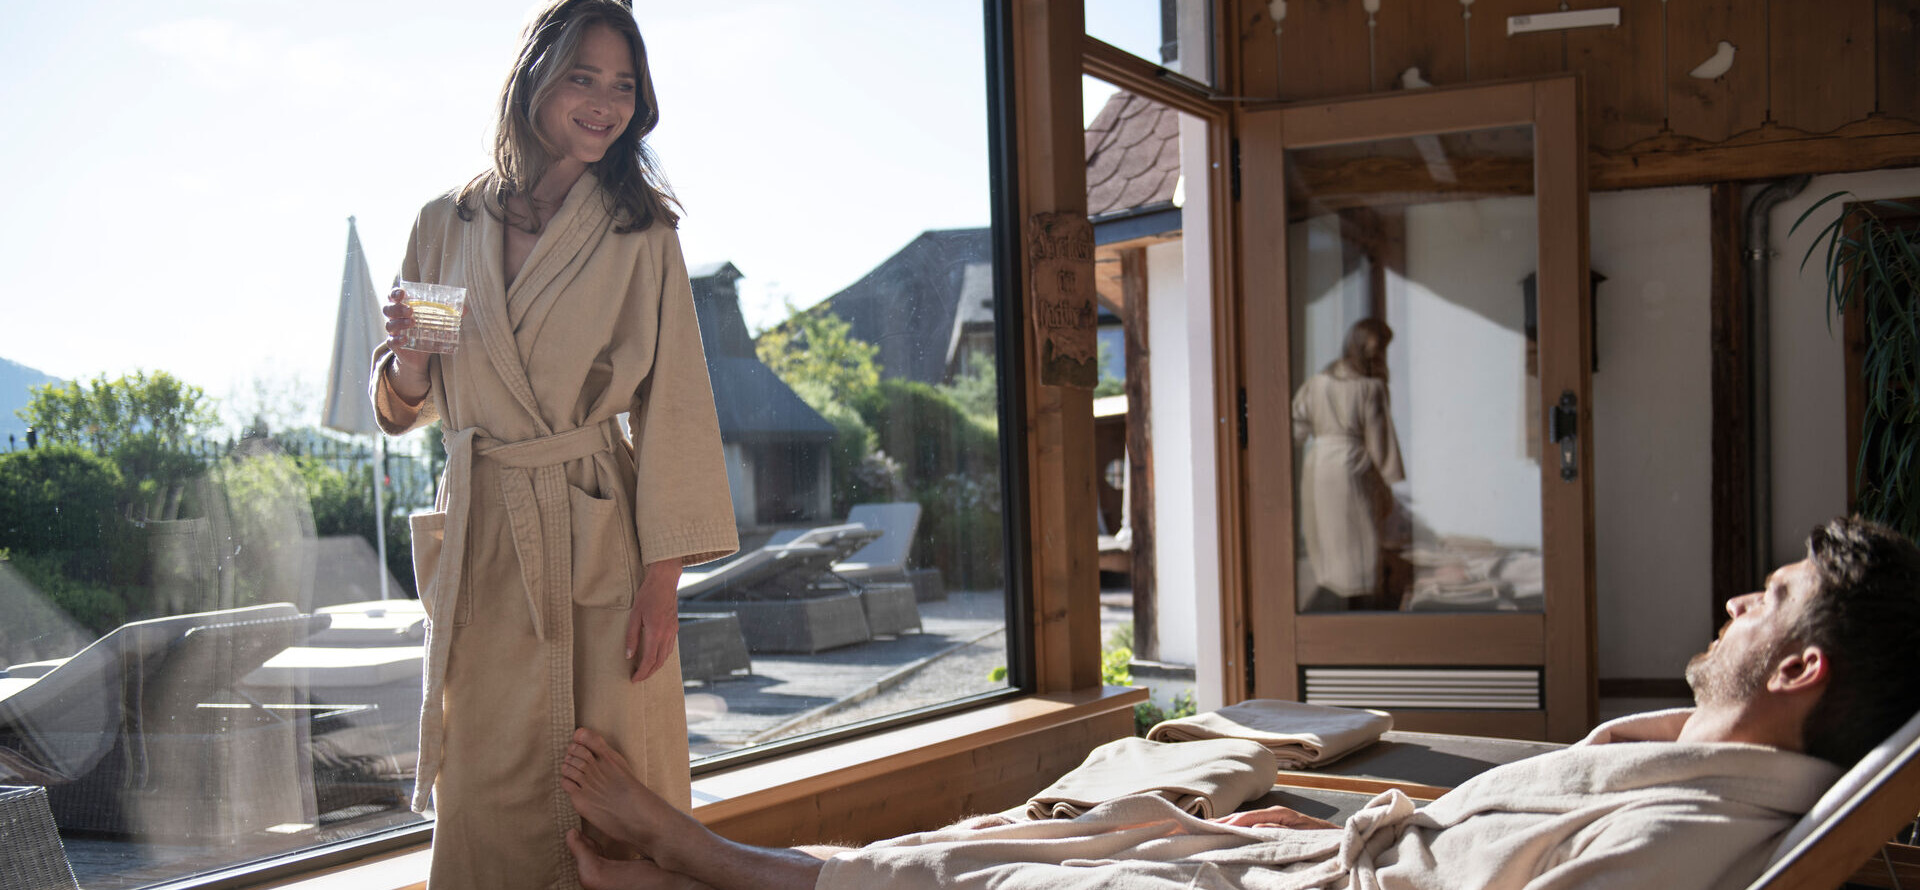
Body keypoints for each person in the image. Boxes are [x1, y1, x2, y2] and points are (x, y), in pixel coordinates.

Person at [556, 516, 1920, 890]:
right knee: (1074, 824)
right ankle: (722, 867)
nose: (1739, 602)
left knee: (1030, 878)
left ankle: (710, 861)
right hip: (1332, 854)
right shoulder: (1706, 771)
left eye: (1771, 597)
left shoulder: (1693, 836)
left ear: (1800, 672)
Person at [370, 1, 738, 886]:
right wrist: (411, 363)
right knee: (488, 771)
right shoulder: (443, 223)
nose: (605, 103)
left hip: (597, 525)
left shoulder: (642, 233)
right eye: (584, 76)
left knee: (610, 767)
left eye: (623, 85)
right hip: (486, 525)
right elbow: (399, 406)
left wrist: (664, 578)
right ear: (535, 76)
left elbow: (676, 403)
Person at [1293, 318, 1405, 612]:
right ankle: (1362, 609)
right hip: (1352, 465)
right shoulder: (1370, 388)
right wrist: (1389, 480)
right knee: (1361, 541)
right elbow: (1380, 443)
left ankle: (1333, 603)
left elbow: (1297, 428)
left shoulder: (1317, 383)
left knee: (1327, 538)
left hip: (1318, 464)